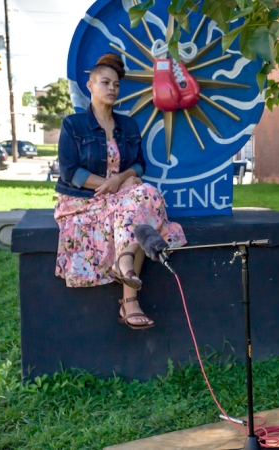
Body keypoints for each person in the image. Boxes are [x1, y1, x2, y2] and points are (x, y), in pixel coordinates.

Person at [54, 53, 186, 330]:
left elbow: (139, 163)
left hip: (124, 199)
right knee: (142, 204)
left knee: (144, 196)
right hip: (83, 201)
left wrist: (125, 177)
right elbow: (69, 171)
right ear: (90, 85)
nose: (112, 88)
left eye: (116, 84)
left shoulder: (128, 125)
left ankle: (123, 263)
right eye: (105, 82)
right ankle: (130, 301)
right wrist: (112, 185)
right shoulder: (73, 125)